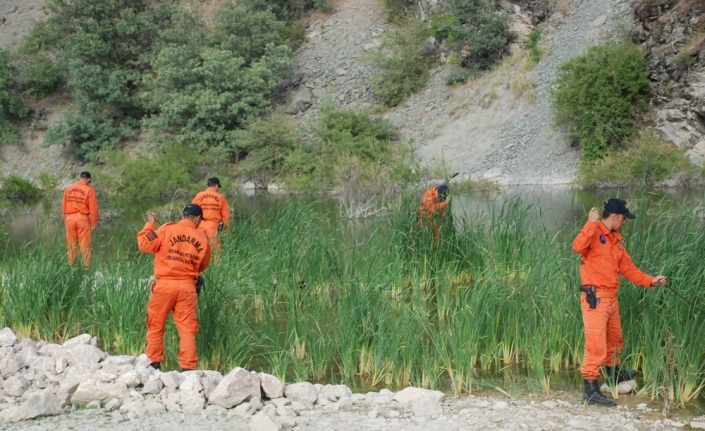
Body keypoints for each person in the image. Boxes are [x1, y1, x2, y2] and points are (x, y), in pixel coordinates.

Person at [572, 198, 667, 406]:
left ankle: (613, 376)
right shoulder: (593, 232)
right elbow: (577, 247)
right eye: (624, 218)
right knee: (596, 344)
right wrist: (590, 223)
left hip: (611, 299)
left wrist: (651, 280)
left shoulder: (615, 240)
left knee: (615, 340)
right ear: (613, 216)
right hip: (594, 299)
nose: (625, 222)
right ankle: (590, 390)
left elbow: (629, 269)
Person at [137, 204, 211, 371]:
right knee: (187, 329)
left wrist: (150, 224)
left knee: (156, 324)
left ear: (183, 215)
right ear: (198, 219)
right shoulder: (202, 237)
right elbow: (203, 265)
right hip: (187, 288)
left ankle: (154, 364)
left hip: (164, 287)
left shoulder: (166, 229)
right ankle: (188, 369)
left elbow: (143, 244)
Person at [62, 171, 99, 267]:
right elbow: (93, 208)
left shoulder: (68, 189)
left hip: (69, 219)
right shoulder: (89, 190)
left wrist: (65, 219)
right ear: (89, 179)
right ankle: (86, 268)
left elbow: (64, 206)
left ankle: (71, 267)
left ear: (80, 178)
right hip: (82, 219)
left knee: (71, 245)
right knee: (85, 246)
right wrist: (94, 223)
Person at [191, 177, 230, 251]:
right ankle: (215, 263)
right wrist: (227, 231)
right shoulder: (220, 197)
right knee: (215, 251)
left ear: (208, 185)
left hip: (199, 225)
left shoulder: (198, 196)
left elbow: (191, 212)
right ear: (216, 186)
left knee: (198, 249)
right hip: (213, 227)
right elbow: (226, 216)